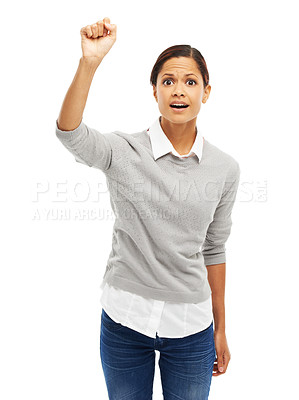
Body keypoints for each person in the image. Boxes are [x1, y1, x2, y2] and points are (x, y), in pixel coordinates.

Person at [55, 17, 241, 400]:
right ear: (154, 90)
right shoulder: (124, 151)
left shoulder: (225, 168)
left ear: (206, 93)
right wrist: (89, 62)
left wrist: (221, 328)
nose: (179, 91)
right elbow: (70, 133)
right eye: (168, 81)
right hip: (124, 323)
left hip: (191, 329)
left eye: (190, 82)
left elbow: (214, 248)